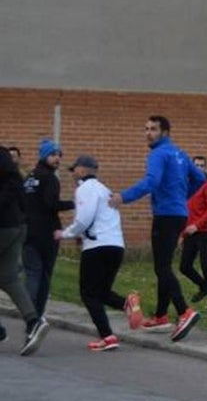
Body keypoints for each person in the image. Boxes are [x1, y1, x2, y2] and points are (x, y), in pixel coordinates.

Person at [108, 115, 205, 343]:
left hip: (165, 215)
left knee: (162, 267)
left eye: (153, 129)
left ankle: (184, 311)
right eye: (146, 129)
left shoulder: (158, 154)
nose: (148, 133)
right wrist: (181, 196)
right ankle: (161, 316)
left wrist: (124, 197)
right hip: (178, 214)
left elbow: (151, 182)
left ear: (165, 133)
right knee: (164, 266)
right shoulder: (179, 153)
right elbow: (200, 178)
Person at [54, 155, 142, 352]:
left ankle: (107, 336)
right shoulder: (104, 189)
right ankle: (127, 304)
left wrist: (65, 234)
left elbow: (84, 219)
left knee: (88, 293)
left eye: (74, 170)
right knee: (102, 292)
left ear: (84, 170)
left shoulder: (84, 189)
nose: (73, 174)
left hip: (96, 247)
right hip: (116, 245)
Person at [0, 146, 49, 355]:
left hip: (3, 225)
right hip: (16, 225)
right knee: (9, 278)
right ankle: (33, 322)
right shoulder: (6, 161)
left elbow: (9, 189)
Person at [22, 138, 74, 318]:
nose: (57, 158)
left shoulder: (29, 177)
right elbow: (51, 204)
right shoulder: (49, 178)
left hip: (27, 231)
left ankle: (27, 311)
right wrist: (74, 204)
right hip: (46, 232)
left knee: (31, 273)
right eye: (53, 154)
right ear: (44, 155)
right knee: (43, 275)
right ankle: (36, 314)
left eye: (59, 155)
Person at [180, 155, 207, 311]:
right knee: (184, 266)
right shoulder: (188, 186)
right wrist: (182, 233)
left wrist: (197, 225)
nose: (199, 168)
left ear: (205, 168)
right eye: (195, 165)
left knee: (206, 264)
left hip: (204, 231)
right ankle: (205, 287)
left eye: (201, 166)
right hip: (190, 232)